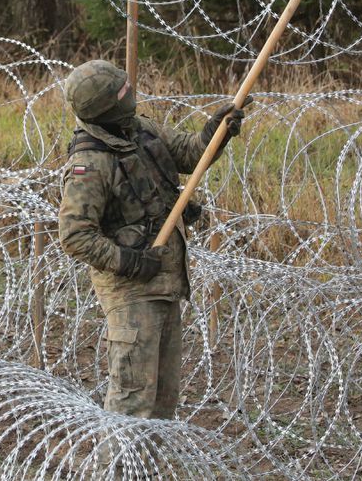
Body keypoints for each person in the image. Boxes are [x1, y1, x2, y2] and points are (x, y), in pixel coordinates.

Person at [57, 60, 242, 428]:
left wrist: (215, 134)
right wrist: (129, 261)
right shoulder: (90, 163)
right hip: (131, 293)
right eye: (122, 93)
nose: (131, 94)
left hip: (166, 282)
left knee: (161, 404)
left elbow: (191, 153)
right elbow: (75, 235)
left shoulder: (139, 130)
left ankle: (146, 468)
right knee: (132, 403)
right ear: (104, 107)